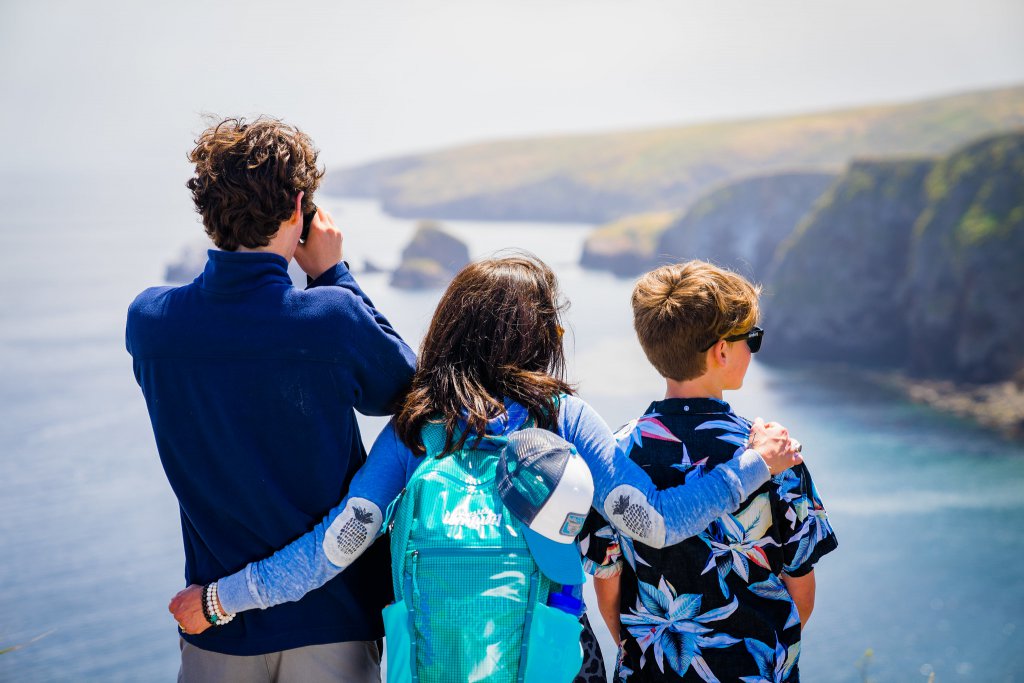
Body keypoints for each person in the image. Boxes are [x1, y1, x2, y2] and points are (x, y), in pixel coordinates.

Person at [168, 254, 802, 680]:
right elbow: (657, 524)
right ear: (540, 334)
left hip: (438, 661)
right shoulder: (561, 416)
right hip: (553, 660)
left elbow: (343, 542)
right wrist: (752, 466)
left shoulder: (418, 424)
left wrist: (223, 600)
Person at [126, 117, 417, 682]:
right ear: (300, 208)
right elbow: (410, 390)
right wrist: (334, 273)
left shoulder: (151, 323)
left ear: (207, 213)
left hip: (214, 624)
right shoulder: (332, 317)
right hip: (334, 622)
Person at [580, 260, 838, 682]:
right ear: (722, 350)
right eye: (750, 339)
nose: (754, 349)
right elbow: (801, 594)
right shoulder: (776, 457)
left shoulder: (615, 457)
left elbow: (607, 588)